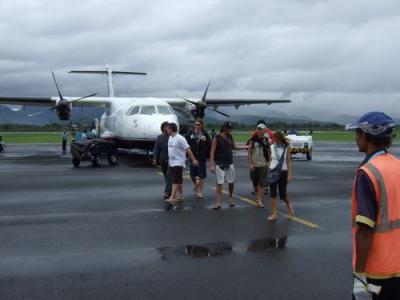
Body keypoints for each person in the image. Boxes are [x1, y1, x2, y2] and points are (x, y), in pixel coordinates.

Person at [345, 112, 399, 300]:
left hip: (377, 271)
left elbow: (365, 229)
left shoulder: (368, 173)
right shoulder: (397, 165)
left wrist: (360, 275)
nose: (356, 138)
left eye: (358, 133)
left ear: (367, 136)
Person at [209, 121, 244, 209]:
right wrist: (212, 164)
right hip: (220, 162)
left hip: (229, 161)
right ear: (224, 128)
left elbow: (234, 147)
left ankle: (230, 198)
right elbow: (212, 151)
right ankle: (218, 202)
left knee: (231, 181)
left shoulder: (230, 136)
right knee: (219, 183)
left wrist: (245, 147)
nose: (230, 130)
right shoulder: (216, 137)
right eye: (229, 128)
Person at [165, 122, 198, 206]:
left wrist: (193, 159)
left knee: (175, 180)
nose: (166, 130)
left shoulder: (180, 138)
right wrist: (169, 160)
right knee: (178, 180)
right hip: (172, 162)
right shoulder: (170, 138)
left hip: (179, 162)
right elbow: (170, 150)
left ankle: (172, 198)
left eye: (168, 128)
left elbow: (188, 149)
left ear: (172, 129)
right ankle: (181, 195)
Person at [267, 131, 294, 221]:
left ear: (280, 138)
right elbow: (270, 159)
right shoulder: (271, 147)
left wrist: (289, 174)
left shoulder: (287, 148)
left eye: (276, 138)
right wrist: (268, 169)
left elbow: (289, 160)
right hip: (273, 172)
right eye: (274, 139)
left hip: (283, 172)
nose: (274, 140)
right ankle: (274, 214)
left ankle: (289, 204)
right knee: (273, 193)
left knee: (282, 194)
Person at [185, 118, 211, 198]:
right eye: (196, 124)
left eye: (199, 124)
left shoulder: (205, 133)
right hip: (192, 156)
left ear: (202, 125)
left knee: (201, 175)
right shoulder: (190, 133)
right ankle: (196, 184)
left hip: (201, 156)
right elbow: (186, 144)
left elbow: (209, 145)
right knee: (192, 174)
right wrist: (187, 155)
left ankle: (200, 192)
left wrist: (205, 141)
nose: (197, 126)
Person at [248, 124, 271, 208]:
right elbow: (249, 153)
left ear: (265, 130)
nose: (260, 130)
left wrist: (269, 161)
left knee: (262, 183)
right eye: (259, 129)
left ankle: (260, 200)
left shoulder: (266, 140)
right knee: (254, 181)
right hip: (254, 164)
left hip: (263, 164)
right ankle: (258, 196)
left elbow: (269, 151)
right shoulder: (252, 140)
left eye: (261, 129)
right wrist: (250, 163)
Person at [153, 121, 172, 199]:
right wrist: (154, 158)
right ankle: (170, 190)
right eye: (166, 127)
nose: (167, 128)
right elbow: (156, 148)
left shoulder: (172, 136)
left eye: (168, 127)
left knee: (169, 175)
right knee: (166, 176)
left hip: (171, 160)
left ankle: (167, 192)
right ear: (163, 128)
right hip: (162, 159)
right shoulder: (159, 137)